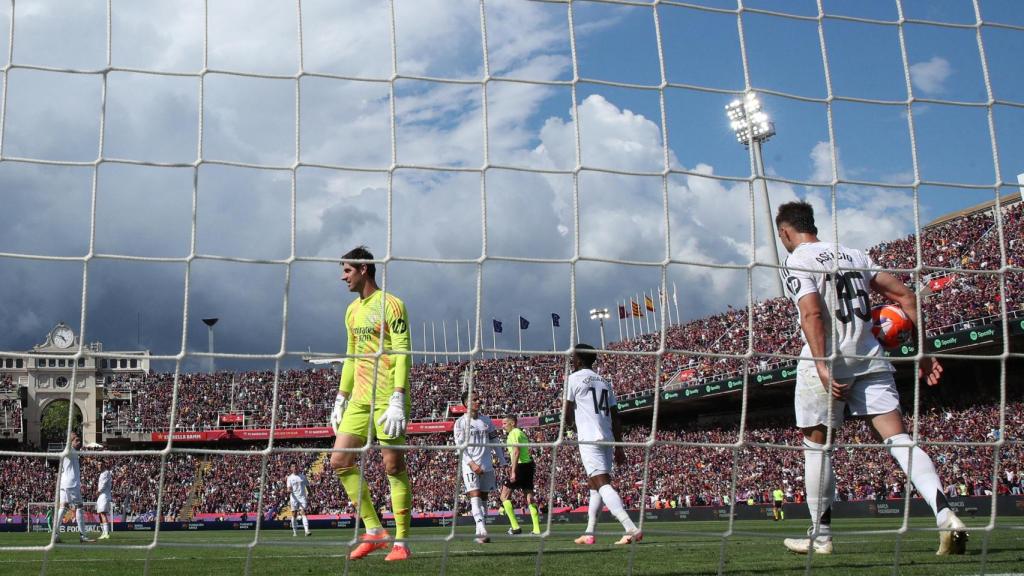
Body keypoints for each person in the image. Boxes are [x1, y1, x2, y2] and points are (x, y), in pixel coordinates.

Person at [775, 201, 967, 556]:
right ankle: (945, 514)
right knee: (900, 440)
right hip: (869, 357)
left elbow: (812, 311)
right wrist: (922, 350)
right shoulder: (854, 255)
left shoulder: (796, 259)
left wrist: (820, 364)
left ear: (785, 232)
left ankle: (821, 536)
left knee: (817, 446)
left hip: (828, 360)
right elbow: (905, 295)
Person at [328, 246, 412, 562]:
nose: (342, 276)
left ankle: (402, 542)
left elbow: (403, 351)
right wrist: (341, 397)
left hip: (387, 398)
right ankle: (375, 531)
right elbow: (351, 357)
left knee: (393, 466)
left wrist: (398, 397)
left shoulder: (392, 304)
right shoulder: (351, 311)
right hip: (359, 400)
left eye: (347, 270)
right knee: (339, 461)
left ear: (364, 269)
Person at [564, 344, 641, 546]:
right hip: (607, 436)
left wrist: (570, 427)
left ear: (578, 360)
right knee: (594, 486)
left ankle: (630, 527)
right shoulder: (604, 381)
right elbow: (616, 417)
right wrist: (619, 446)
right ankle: (589, 532)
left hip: (589, 437)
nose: (572, 361)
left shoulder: (573, 378)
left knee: (602, 484)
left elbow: (567, 410)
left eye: (573, 357)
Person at [454, 389, 508, 544]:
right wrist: (471, 464)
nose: (479, 401)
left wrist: (502, 460)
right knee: (475, 495)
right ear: (466, 404)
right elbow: (460, 448)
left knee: (484, 497)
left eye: (479, 399)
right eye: (475, 399)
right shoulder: (460, 423)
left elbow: (495, 442)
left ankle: (480, 531)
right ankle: (482, 528)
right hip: (470, 465)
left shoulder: (487, 421)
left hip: (487, 465)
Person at [499, 416, 541, 535]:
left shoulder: (513, 433)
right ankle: (537, 529)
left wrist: (513, 471)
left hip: (520, 466)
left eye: (505, 423)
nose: (503, 426)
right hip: (528, 465)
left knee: (504, 496)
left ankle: (515, 527)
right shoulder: (522, 433)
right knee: (529, 497)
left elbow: (516, 451)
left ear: (512, 423)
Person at [53, 432, 93, 543]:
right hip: (71, 484)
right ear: (71, 441)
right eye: (77, 440)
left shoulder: (72, 452)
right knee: (79, 507)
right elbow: (68, 446)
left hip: (63, 483)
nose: (79, 442)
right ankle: (83, 535)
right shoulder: (69, 450)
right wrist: (69, 437)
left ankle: (55, 534)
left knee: (63, 507)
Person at [286, 463, 311, 537]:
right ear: (291, 468)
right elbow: (288, 488)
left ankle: (306, 531)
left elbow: (307, 486)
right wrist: (289, 491)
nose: (295, 467)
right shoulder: (289, 478)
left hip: (302, 497)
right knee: (294, 515)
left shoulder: (303, 476)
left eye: (296, 466)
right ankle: (295, 532)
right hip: (294, 498)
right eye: (293, 466)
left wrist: (310, 493)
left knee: (303, 513)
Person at [95, 466, 113, 539]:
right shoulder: (102, 473)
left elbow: (103, 484)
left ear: (104, 465)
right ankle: (103, 532)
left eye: (100, 464)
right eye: (98, 464)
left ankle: (106, 533)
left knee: (103, 513)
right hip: (101, 496)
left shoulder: (106, 473)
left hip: (104, 495)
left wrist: (98, 491)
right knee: (99, 514)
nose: (98, 466)